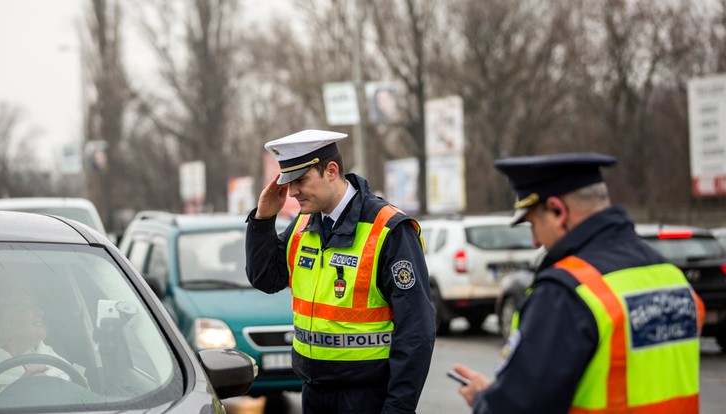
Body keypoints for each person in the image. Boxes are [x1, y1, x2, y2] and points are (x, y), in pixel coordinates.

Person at [453, 152, 705, 413]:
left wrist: (486, 400)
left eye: (533, 224)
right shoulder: (670, 275)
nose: (535, 241)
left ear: (558, 211)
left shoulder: (565, 293)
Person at [245, 129, 435, 414]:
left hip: (368, 398)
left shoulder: (389, 229)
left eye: (300, 180)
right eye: (288, 181)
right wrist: (263, 219)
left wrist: (398, 409)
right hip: (314, 392)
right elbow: (266, 279)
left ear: (331, 170)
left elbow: (417, 331)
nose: (293, 191)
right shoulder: (302, 224)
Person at [0, 279, 74, 397]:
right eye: (27, 306)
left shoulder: (41, 351)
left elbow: (76, 384)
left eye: (37, 306)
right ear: (3, 319)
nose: (40, 313)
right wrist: (21, 394)